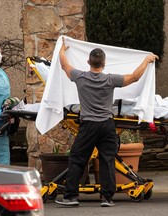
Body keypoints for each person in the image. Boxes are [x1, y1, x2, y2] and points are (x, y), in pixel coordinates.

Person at [55, 38, 158, 207]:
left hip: (88, 125)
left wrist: (61, 50)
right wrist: (146, 60)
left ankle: (71, 197)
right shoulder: (110, 80)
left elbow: (65, 66)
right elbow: (134, 77)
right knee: (107, 160)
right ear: (104, 63)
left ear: (88, 62)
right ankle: (106, 198)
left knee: (77, 158)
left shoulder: (79, 77)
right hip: (107, 125)